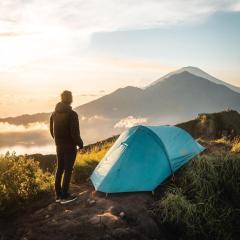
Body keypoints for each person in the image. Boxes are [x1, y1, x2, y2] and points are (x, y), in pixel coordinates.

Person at [50, 90, 83, 204]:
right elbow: (75, 134)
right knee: (68, 170)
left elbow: (51, 131)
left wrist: (58, 141)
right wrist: (80, 144)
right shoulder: (72, 114)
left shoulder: (54, 114)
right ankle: (65, 195)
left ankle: (58, 195)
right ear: (70, 99)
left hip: (59, 145)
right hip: (69, 146)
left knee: (59, 169)